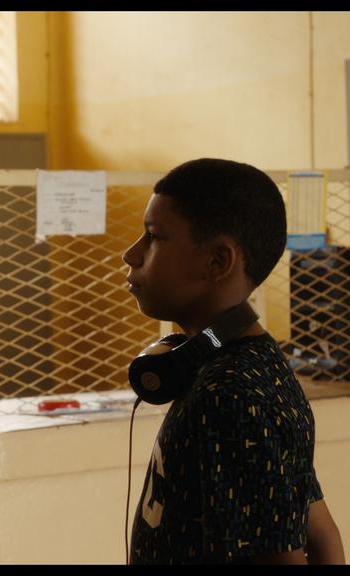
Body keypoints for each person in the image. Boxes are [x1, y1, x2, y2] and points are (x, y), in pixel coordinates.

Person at [123, 158, 344, 564]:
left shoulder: (232, 397)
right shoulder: (235, 368)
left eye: (153, 237)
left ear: (217, 262)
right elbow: (324, 537)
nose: (131, 254)